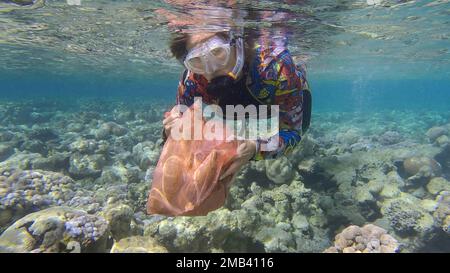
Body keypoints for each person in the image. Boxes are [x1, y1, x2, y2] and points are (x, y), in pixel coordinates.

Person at [162, 24, 312, 181]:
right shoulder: (193, 80)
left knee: (304, 125)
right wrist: (169, 132)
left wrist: (256, 148)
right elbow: (178, 125)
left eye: (217, 52)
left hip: (272, 100)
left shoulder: (276, 67)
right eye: (197, 60)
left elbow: (293, 132)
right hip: (241, 110)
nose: (211, 69)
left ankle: (300, 66)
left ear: (238, 43)